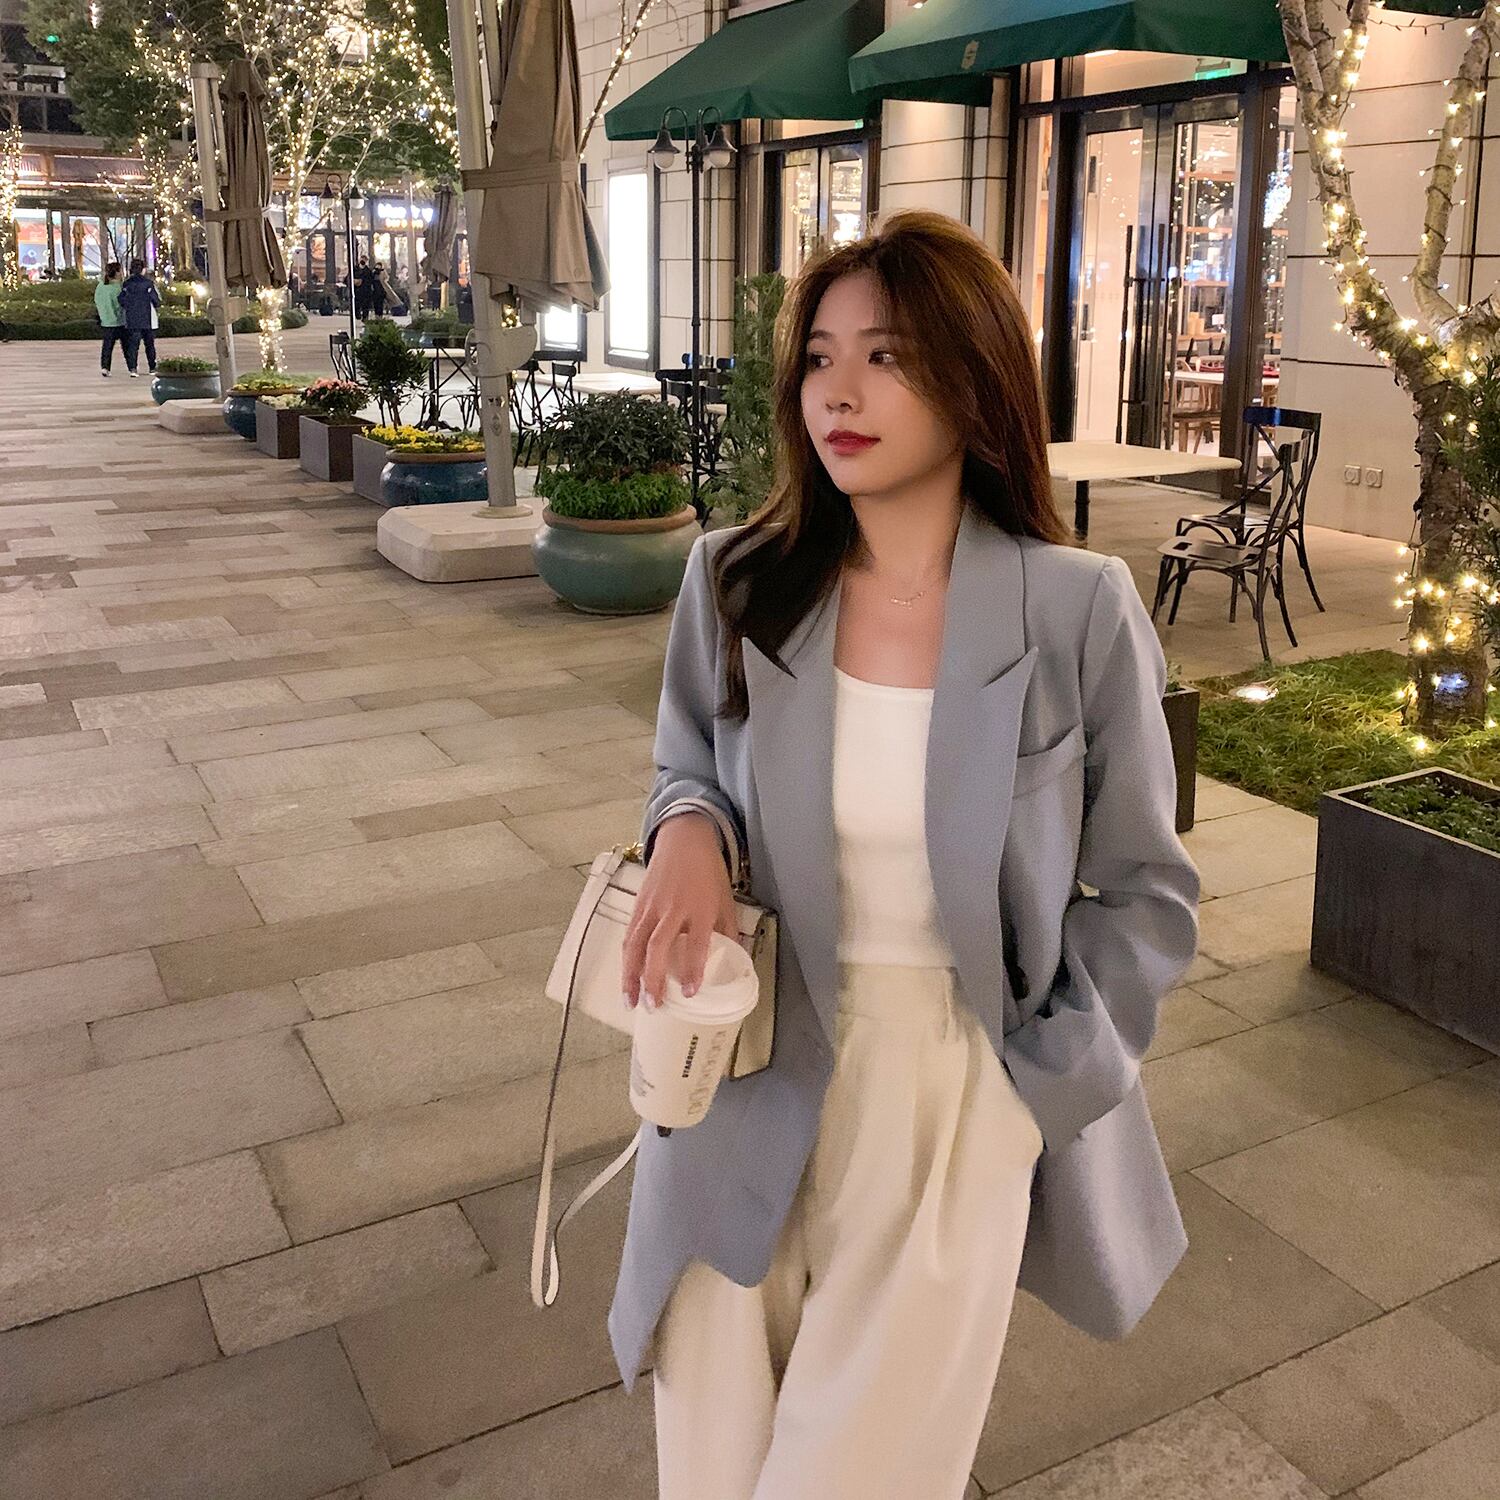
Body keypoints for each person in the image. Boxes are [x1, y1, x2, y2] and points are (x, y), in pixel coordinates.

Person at [612, 210, 1201, 1500]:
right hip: (744, 1076)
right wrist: (690, 827)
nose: (839, 392)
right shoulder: (738, 581)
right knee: (711, 1468)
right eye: (819, 359)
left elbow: (1148, 896)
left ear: (972, 377)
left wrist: (1022, 1104)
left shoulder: (1073, 608)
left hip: (951, 1101)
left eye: (884, 356)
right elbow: (683, 764)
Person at [118, 259, 161, 378]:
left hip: (132, 318)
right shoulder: (148, 283)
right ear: (143, 269)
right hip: (147, 318)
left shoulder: (127, 284)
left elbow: (121, 299)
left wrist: (129, 306)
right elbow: (156, 300)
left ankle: (133, 368)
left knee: (133, 345)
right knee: (149, 345)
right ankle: (152, 367)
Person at [94, 261, 125, 377]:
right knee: (127, 345)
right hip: (119, 321)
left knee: (107, 346)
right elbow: (120, 304)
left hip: (105, 320)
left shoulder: (100, 286)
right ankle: (132, 366)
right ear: (117, 272)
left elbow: (97, 300)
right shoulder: (118, 287)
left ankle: (105, 367)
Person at [353, 256, 373, 320]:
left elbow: (370, 280)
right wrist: (354, 281)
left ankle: (365, 317)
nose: (363, 261)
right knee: (356, 304)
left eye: (364, 260)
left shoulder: (368, 271)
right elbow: (348, 278)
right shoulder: (354, 269)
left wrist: (362, 281)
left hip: (365, 291)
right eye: (362, 259)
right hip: (356, 290)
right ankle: (357, 315)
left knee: (365, 305)